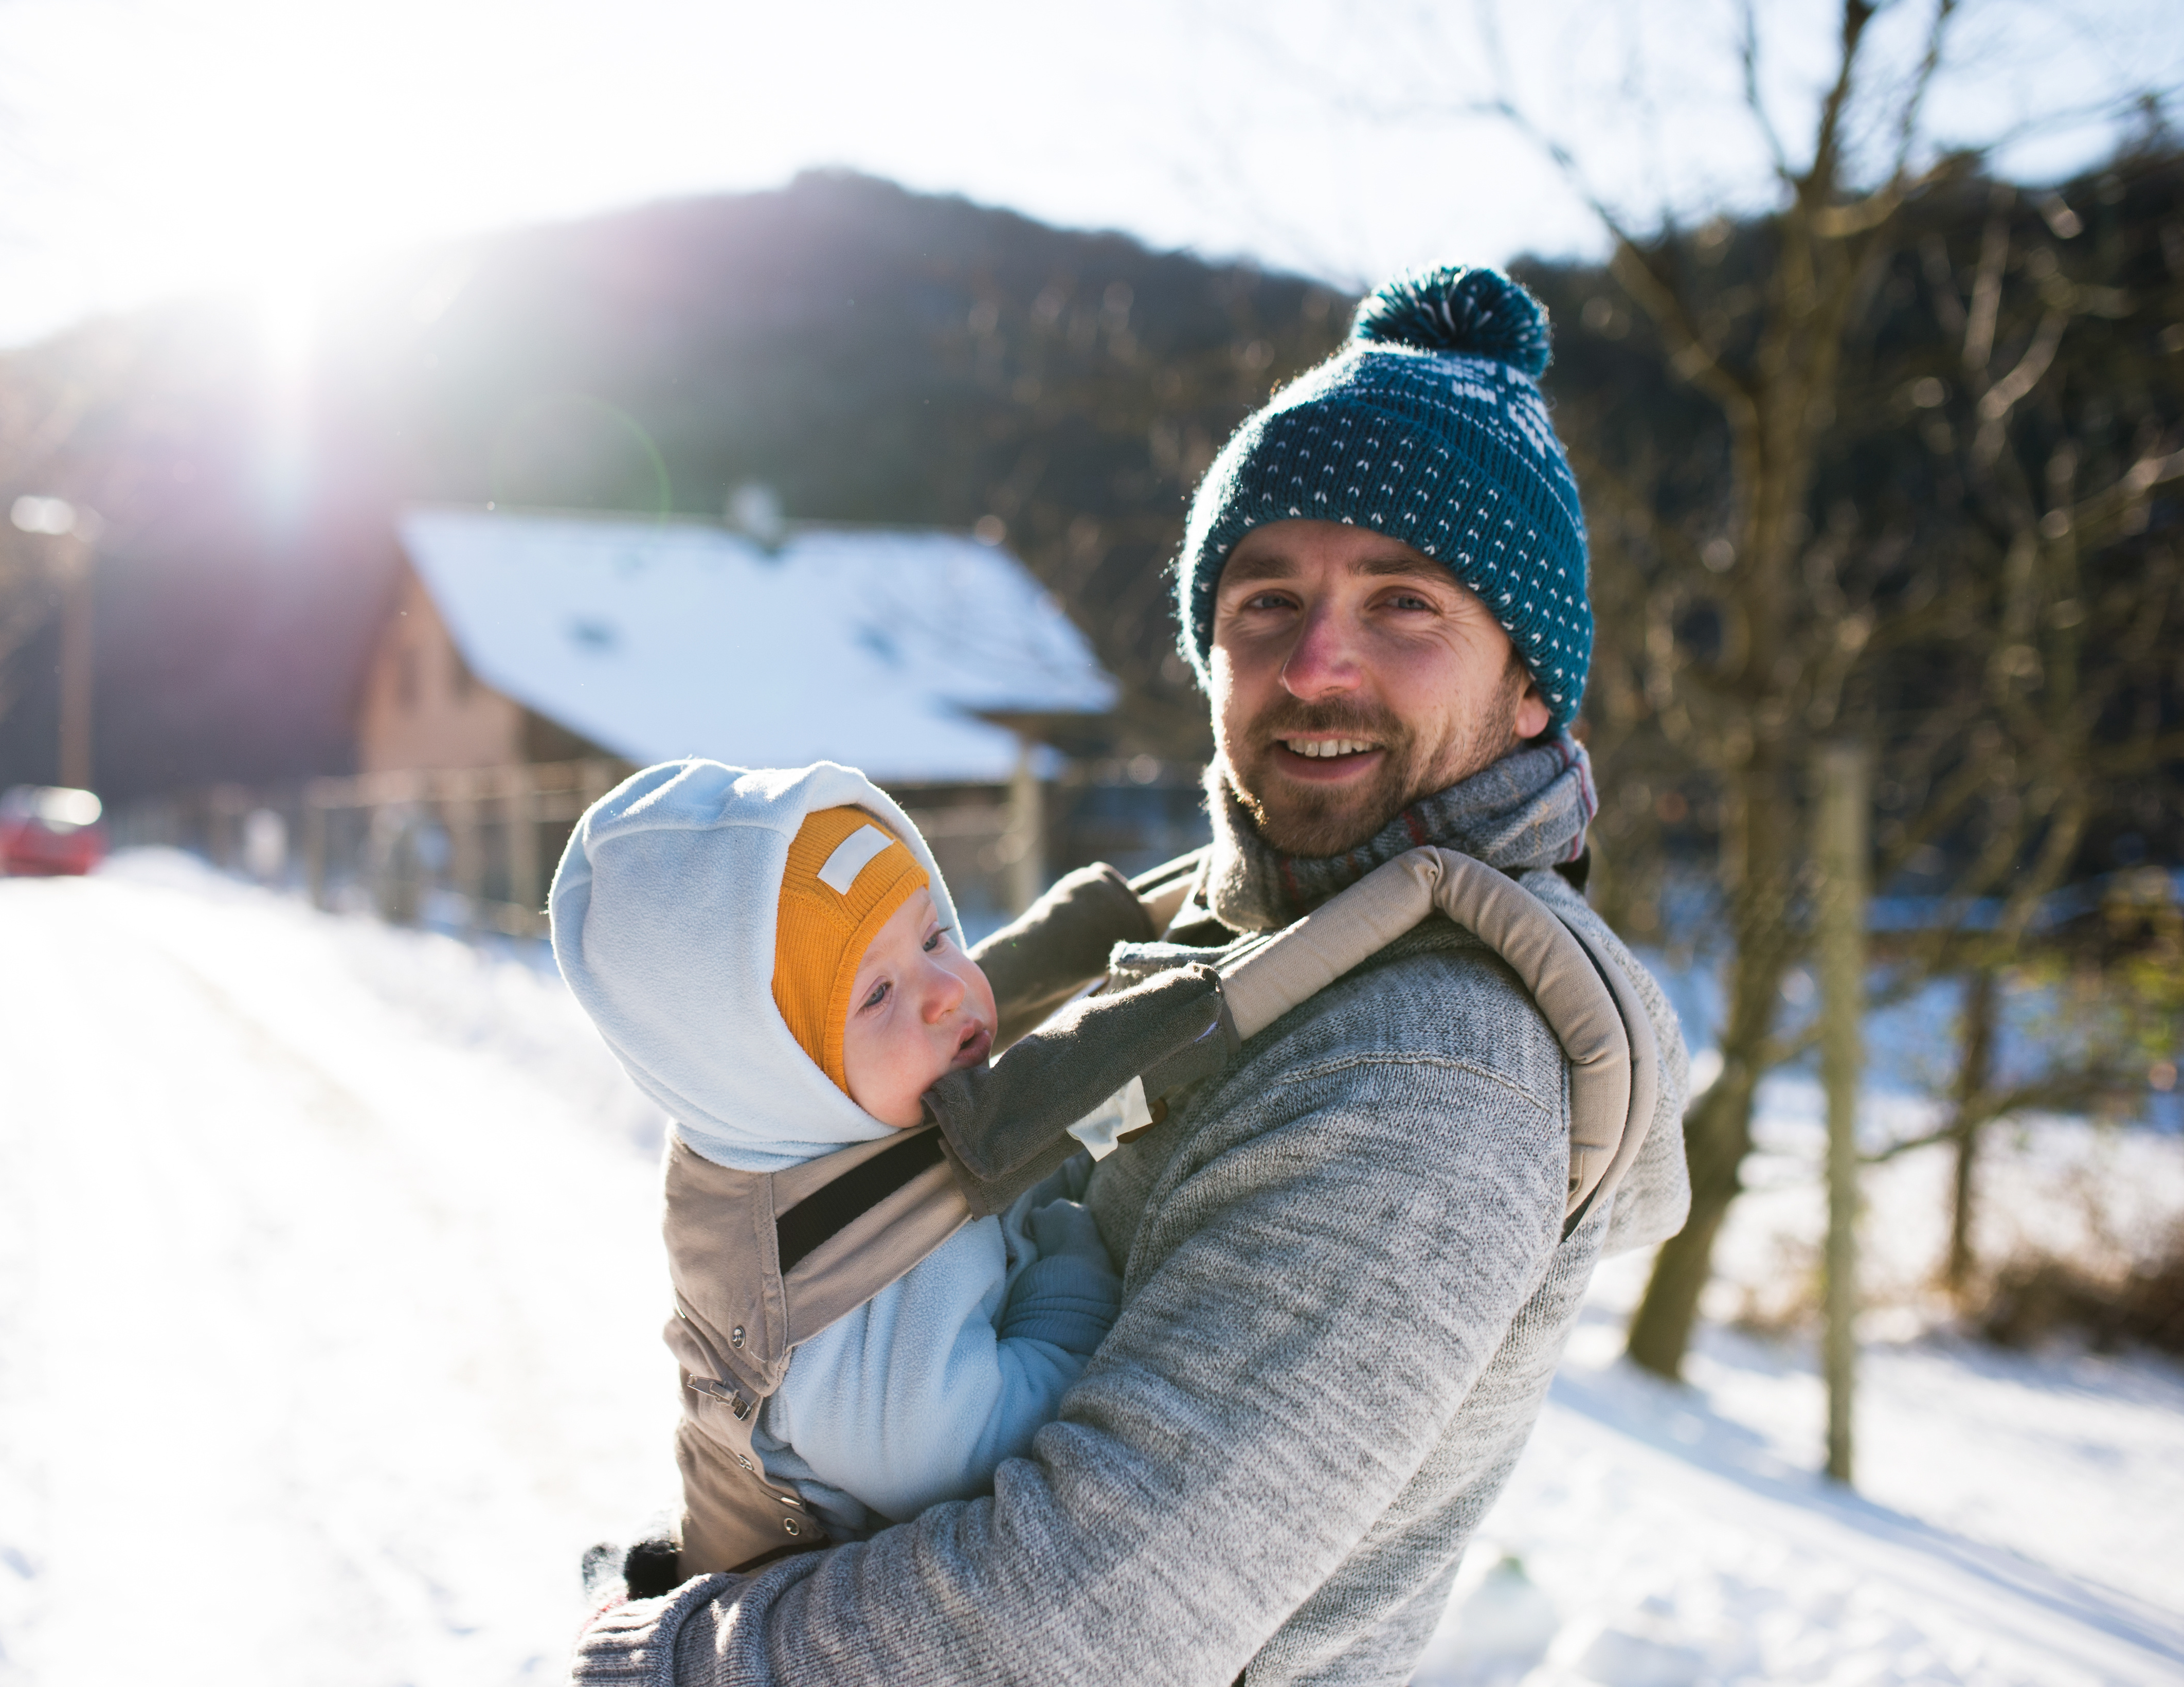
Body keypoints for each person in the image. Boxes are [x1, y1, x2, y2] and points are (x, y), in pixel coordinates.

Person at [571, 263, 1693, 1685]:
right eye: (1265, 602)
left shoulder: (1427, 1059)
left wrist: (670, 1658)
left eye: (1407, 604)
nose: (1316, 662)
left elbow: (1068, 1630)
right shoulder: (1224, 935)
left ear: (1532, 679)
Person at [549, 769, 1218, 1570]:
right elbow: (979, 1450)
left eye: (935, 937)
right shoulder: (838, 1288)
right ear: (772, 1069)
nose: (946, 993)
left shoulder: (832, 1116)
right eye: (877, 995)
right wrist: (1074, 1249)